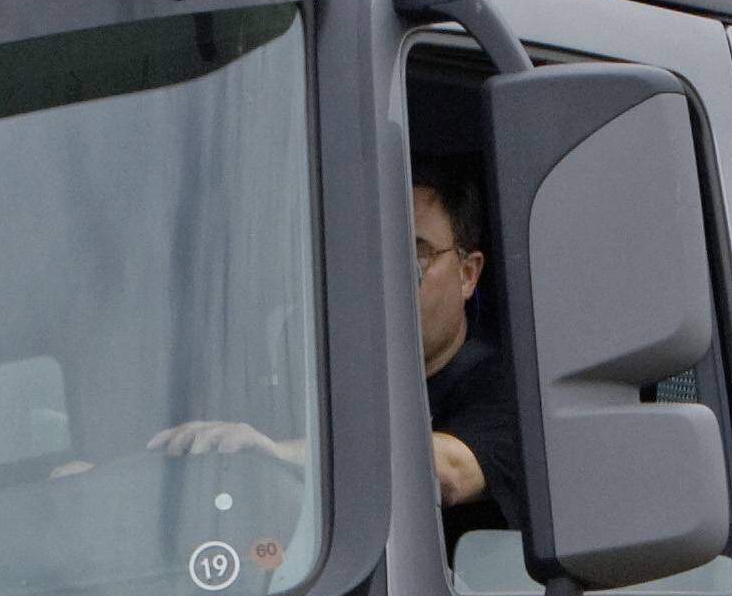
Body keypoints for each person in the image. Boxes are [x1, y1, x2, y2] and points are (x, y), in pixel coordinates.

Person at [153, 165, 515, 524]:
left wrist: (278, 455)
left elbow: (453, 470)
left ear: (468, 274)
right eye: (367, 258)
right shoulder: (304, 383)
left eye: (414, 259)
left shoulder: (508, 383)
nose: (385, 280)